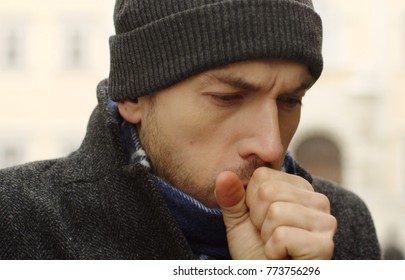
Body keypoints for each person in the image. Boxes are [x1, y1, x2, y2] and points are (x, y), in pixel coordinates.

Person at [0, 0, 380, 259]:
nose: (270, 145)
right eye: (228, 97)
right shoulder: (18, 224)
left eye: (289, 101)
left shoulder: (340, 227)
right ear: (133, 95)